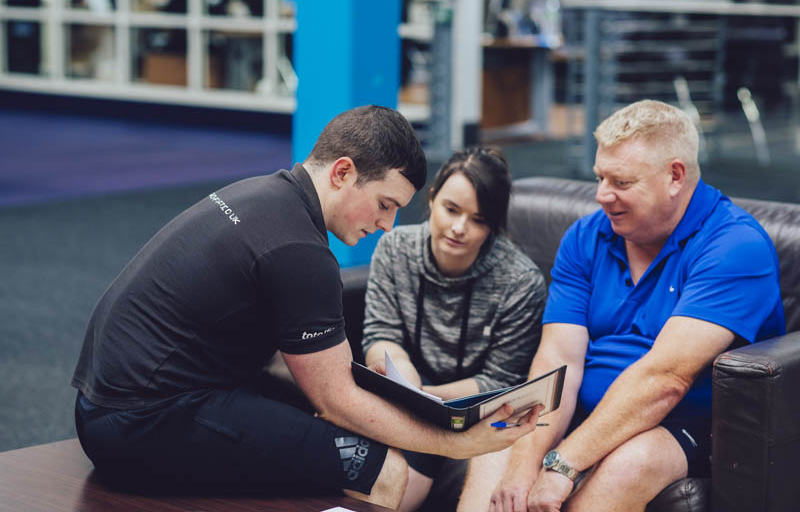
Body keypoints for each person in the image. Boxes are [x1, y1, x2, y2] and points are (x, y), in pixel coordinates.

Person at [70, 105, 542, 510]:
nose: (386, 224)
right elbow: (336, 400)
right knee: (386, 471)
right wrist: (459, 441)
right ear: (342, 172)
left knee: (338, 436)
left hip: (107, 406)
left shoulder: (262, 196)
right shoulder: (300, 251)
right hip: (143, 423)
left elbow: (298, 369)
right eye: (383, 203)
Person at [457, 99, 786, 512]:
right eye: (599, 177)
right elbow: (559, 361)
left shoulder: (734, 246)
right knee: (495, 444)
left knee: (631, 463)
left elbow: (666, 379)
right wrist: (524, 460)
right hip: (584, 413)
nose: (601, 195)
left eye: (621, 182)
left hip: (685, 425)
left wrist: (563, 464)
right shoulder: (587, 236)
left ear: (675, 177)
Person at [362, 147, 547, 509]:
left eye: (478, 219)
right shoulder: (395, 249)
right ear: (432, 199)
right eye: (451, 210)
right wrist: (401, 373)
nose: (459, 228)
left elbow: (501, 380)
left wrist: (428, 396)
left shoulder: (520, 281)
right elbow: (380, 333)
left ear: (493, 224)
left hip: (480, 414)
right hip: (406, 403)